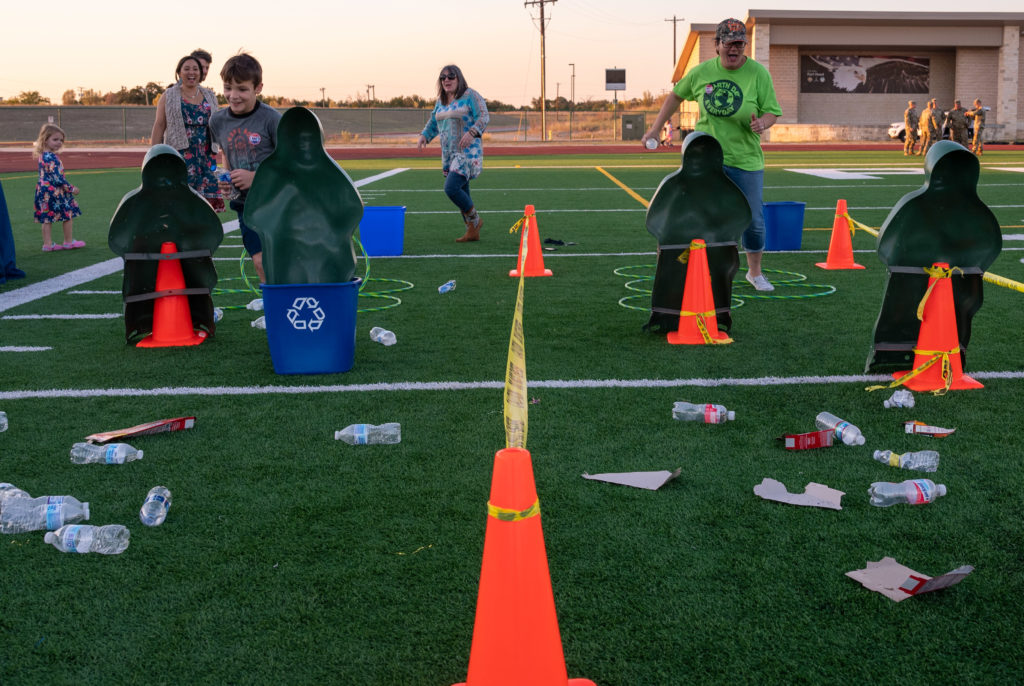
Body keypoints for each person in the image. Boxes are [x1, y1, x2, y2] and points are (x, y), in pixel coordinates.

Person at [641, 17, 782, 292]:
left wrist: (762, 123)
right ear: (717, 45)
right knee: (692, 213)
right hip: (706, 160)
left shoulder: (758, 74)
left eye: (739, 45)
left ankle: (755, 273)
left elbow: (772, 111)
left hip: (745, 158)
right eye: (729, 44)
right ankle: (683, 268)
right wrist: (655, 129)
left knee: (753, 219)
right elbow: (675, 96)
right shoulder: (701, 72)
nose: (734, 50)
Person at [209, 52, 282, 284]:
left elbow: (288, 163)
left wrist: (255, 177)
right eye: (228, 88)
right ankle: (274, 311)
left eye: (242, 89)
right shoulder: (218, 121)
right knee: (259, 260)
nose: (233, 95)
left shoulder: (271, 119)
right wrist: (226, 178)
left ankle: (283, 311)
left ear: (258, 87)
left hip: (276, 200)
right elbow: (227, 155)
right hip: (246, 203)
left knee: (280, 256)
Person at [417, 65, 489, 243]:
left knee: (451, 188)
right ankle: (472, 231)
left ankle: (475, 220)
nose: (446, 80)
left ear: (459, 78)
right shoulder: (440, 101)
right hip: (449, 154)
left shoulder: (470, 96)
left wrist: (472, 132)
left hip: (467, 153)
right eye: (443, 77)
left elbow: (484, 116)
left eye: (451, 76)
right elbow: (433, 121)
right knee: (463, 190)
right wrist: (424, 135)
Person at [150, 55, 222, 211]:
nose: (192, 73)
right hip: (180, 156)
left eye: (196, 69)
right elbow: (160, 125)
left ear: (201, 73)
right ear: (179, 72)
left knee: (205, 208)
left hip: (206, 157)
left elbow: (218, 124)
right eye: (187, 69)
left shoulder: (210, 95)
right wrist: (152, 156)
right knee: (179, 203)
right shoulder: (168, 95)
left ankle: (204, 234)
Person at [33, 124, 84, 252]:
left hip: (42, 191)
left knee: (46, 218)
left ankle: (47, 244)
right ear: (45, 140)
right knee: (67, 215)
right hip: (54, 192)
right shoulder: (52, 158)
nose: (59, 143)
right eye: (55, 140)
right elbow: (57, 179)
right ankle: (68, 242)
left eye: (61, 140)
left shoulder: (43, 156)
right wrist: (71, 188)